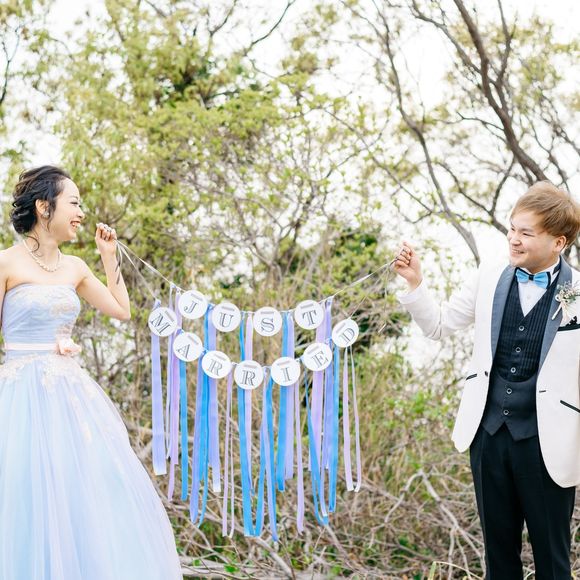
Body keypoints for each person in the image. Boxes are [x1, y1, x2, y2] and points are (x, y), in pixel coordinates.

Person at [0, 166, 183, 579]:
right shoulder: (5, 263)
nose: (81, 212)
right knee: (22, 493)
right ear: (44, 207)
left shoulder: (76, 267)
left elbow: (121, 310)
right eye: (74, 202)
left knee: (84, 493)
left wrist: (108, 257)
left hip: (70, 398)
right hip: (18, 400)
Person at [394, 181, 580, 579]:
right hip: (488, 436)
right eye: (512, 228)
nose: (513, 239)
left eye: (526, 233)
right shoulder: (490, 276)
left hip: (548, 445)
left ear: (558, 242)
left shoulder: (578, 292)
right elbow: (439, 326)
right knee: (499, 560)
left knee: (553, 563)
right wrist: (415, 283)